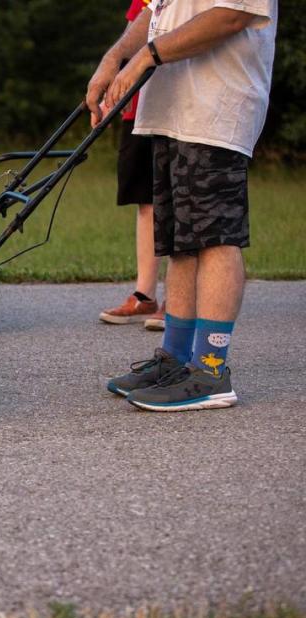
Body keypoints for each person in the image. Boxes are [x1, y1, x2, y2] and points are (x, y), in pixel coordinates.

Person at [86, 0, 277, 411]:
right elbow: (155, 10)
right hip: (170, 109)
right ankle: (175, 359)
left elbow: (233, 14)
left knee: (215, 238)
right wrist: (115, 57)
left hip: (215, 108)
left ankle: (210, 370)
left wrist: (146, 57)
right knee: (179, 242)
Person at [98, 0, 166, 331]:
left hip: (178, 104)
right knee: (145, 200)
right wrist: (110, 88)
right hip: (139, 106)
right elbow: (134, 31)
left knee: (182, 201)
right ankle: (145, 295)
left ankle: (182, 302)